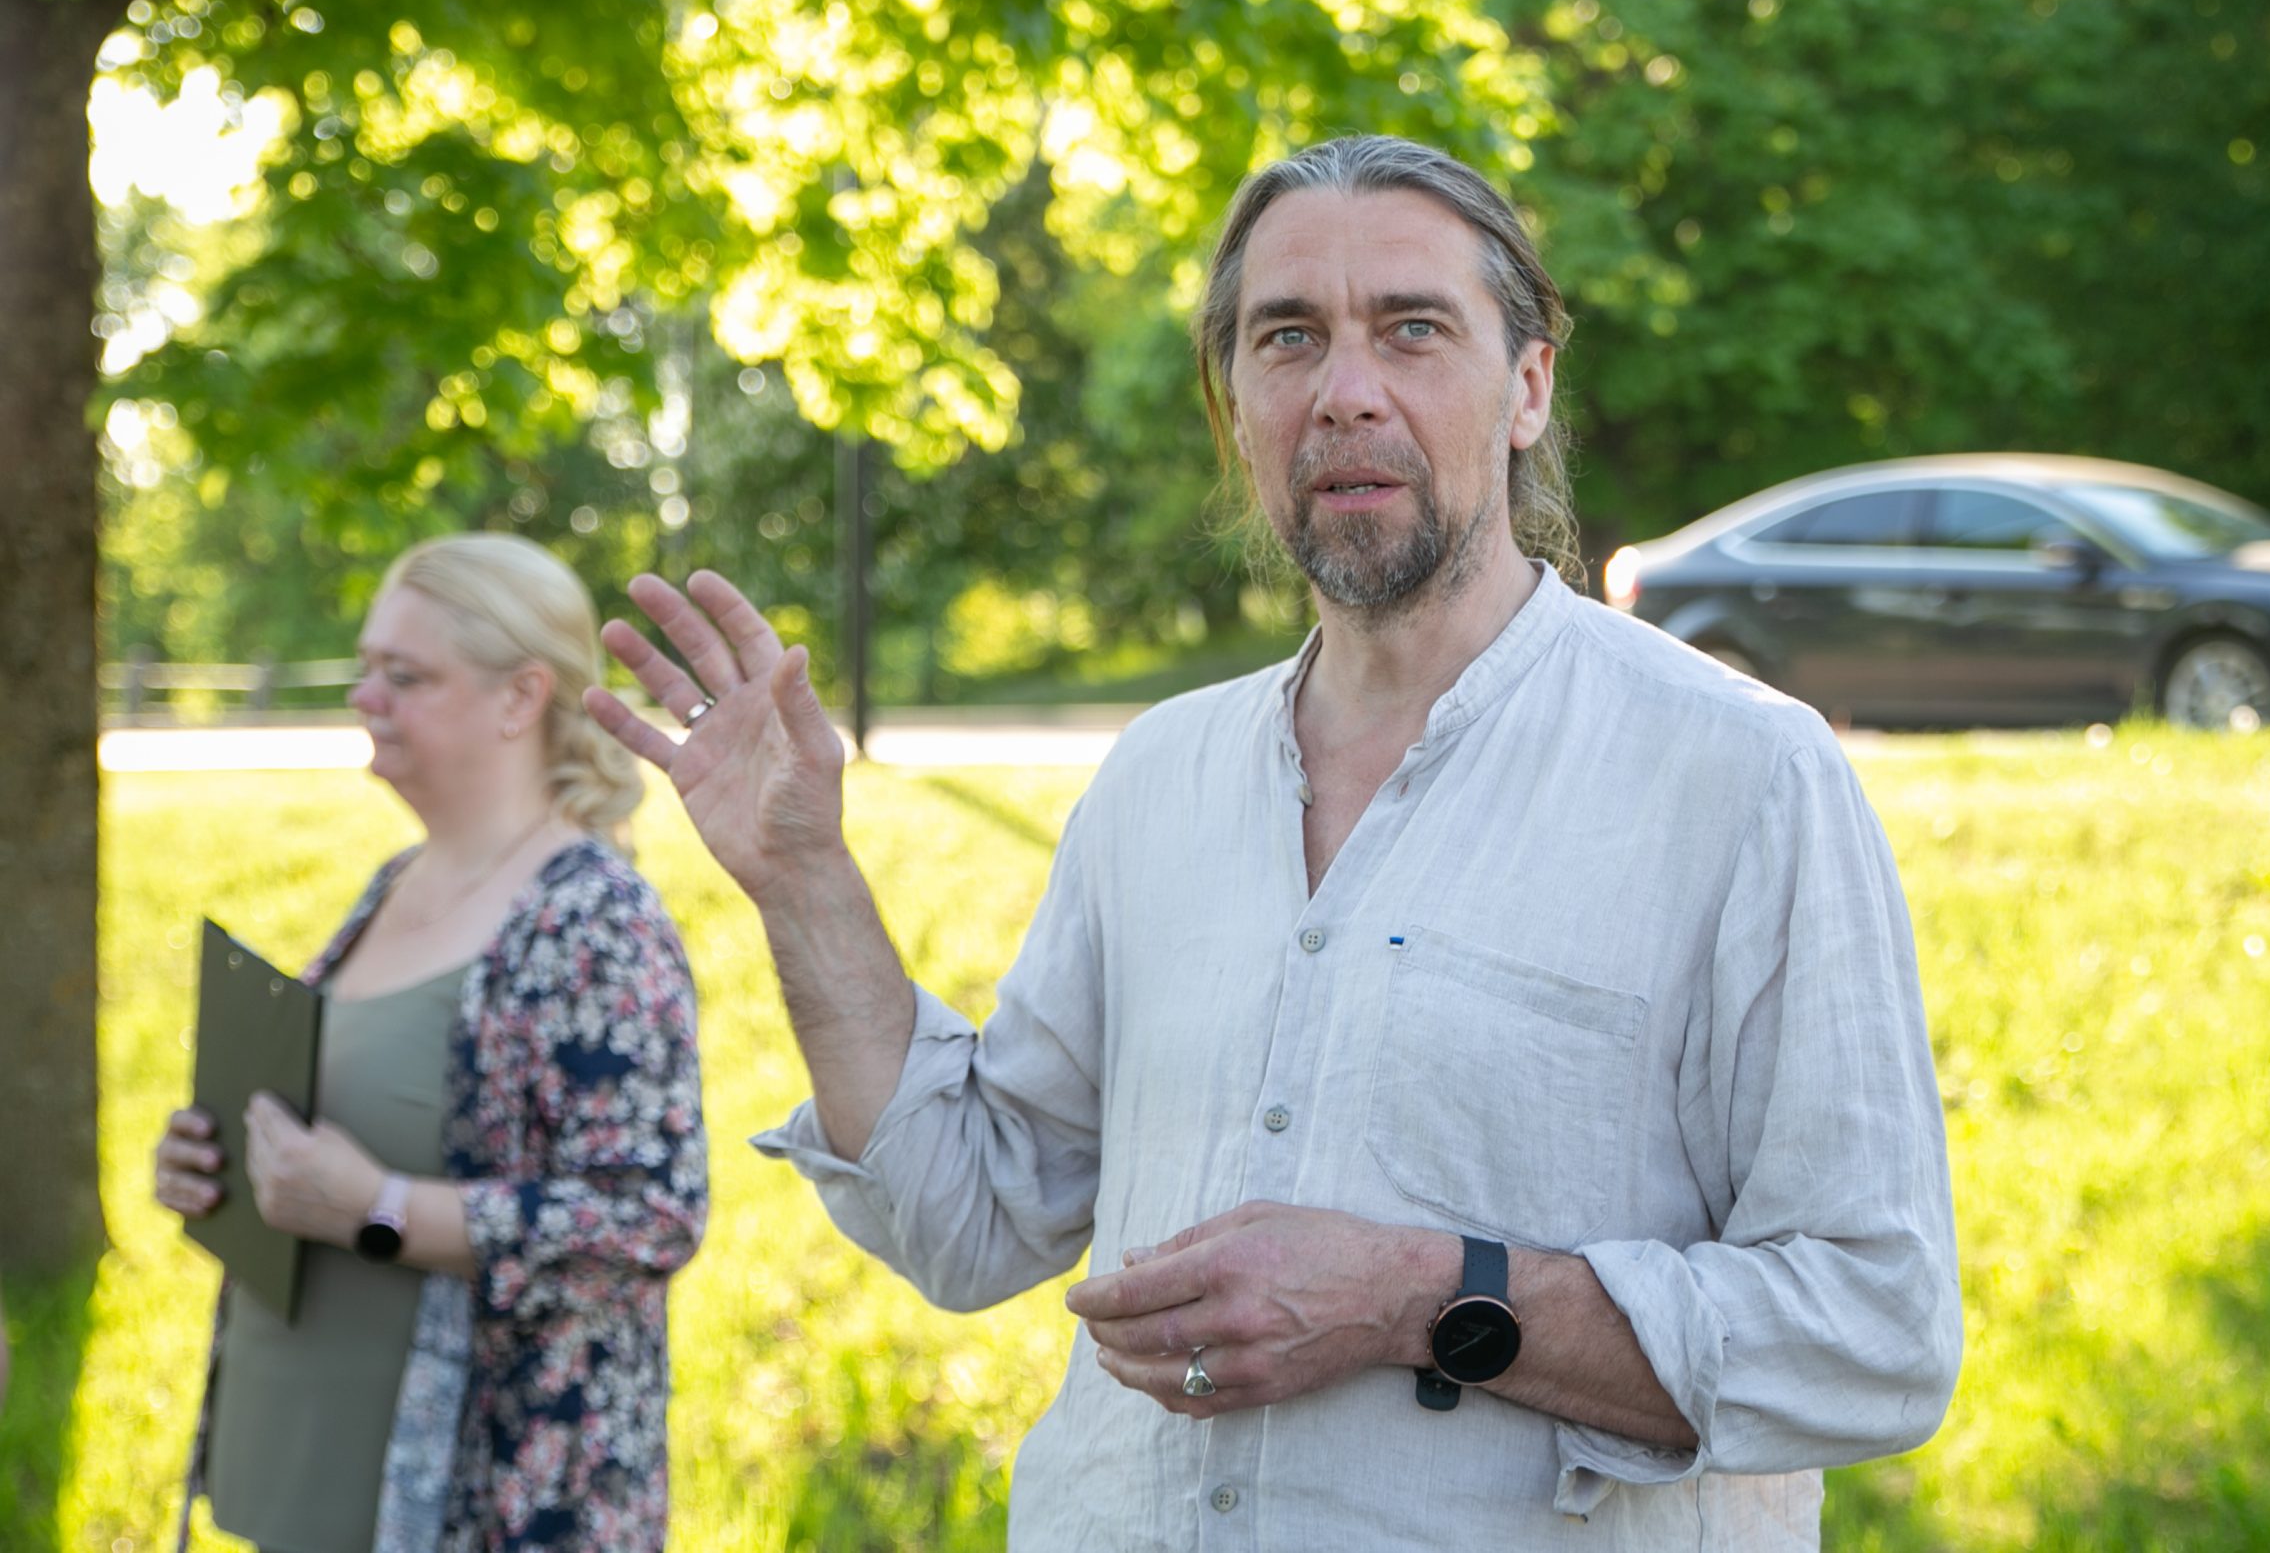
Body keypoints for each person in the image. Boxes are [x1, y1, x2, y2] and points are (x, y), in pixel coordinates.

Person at [586, 134, 1959, 1549]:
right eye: (1288, 337)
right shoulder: (1157, 777)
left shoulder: (1739, 775)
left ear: (1529, 386)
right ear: (1234, 406)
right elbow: (972, 1218)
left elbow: (1875, 1329)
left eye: (1412, 329)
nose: (1345, 391)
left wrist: (1416, 1298)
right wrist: (804, 876)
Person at [154, 532, 709, 1552]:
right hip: (289, 1484)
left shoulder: (594, 921)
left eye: (404, 676)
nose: (364, 695)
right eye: (367, 666)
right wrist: (215, 1158)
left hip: (484, 1506)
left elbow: (650, 1218)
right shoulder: (396, 881)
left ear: (520, 696)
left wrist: (380, 1209)